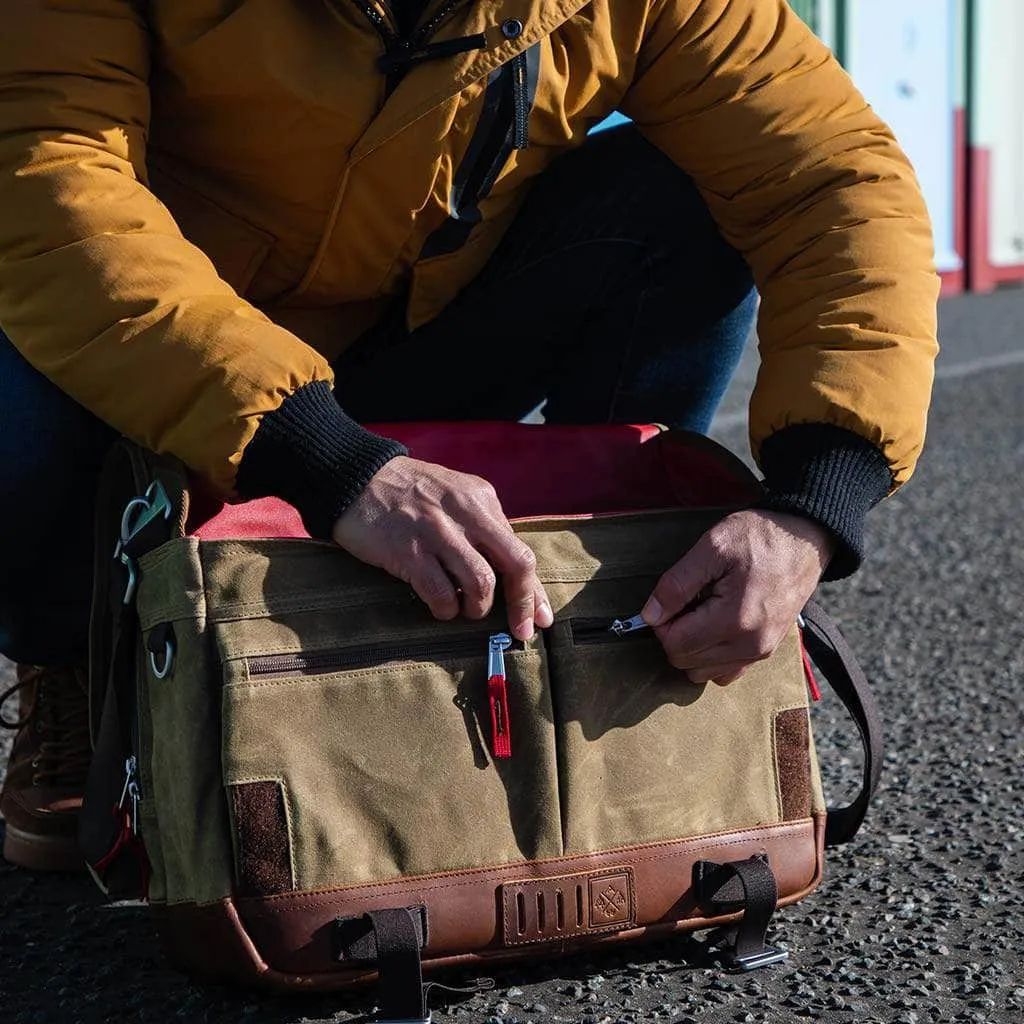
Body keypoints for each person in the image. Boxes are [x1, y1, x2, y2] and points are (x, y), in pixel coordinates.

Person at [0, 0, 938, 872]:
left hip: (409, 336)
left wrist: (814, 505)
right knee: (29, 282)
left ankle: (609, 633)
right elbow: (45, 176)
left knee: (678, 204)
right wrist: (325, 459)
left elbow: (828, 183)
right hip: (154, 353)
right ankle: (76, 663)